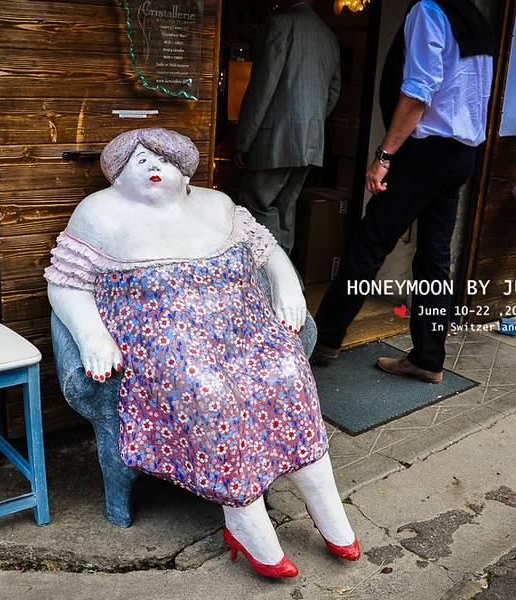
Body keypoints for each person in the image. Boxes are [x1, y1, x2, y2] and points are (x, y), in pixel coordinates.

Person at [45, 128, 360, 579]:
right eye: (139, 161)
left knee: (289, 372)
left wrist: (288, 287)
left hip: (242, 329)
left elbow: (267, 251)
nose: (153, 167)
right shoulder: (98, 214)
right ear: (117, 175)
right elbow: (65, 283)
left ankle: (324, 502)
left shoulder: (217, 205)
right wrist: (91, 335)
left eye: (163, 159)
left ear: (184, 169)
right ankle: (244, 515)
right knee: (211, 393)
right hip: (163, 341)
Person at [311, 0, 494, 383]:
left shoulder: (430, 9)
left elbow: (418, 92)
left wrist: (384, 155)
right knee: (435, 258)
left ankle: (323, 340)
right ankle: (428, 357)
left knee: (370, 244)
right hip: (461, 153)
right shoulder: (474, 17)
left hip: (424, 153)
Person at [234, 0, 341, 255]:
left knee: (256, 202)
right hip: (311, 140)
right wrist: (311, 123)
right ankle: (288, 272)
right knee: (285, 207)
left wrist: (243, 141)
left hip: (276, 136)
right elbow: (334, 92)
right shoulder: (328, 35)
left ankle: (273, 268)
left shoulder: (280, 25)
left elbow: (262, 87)